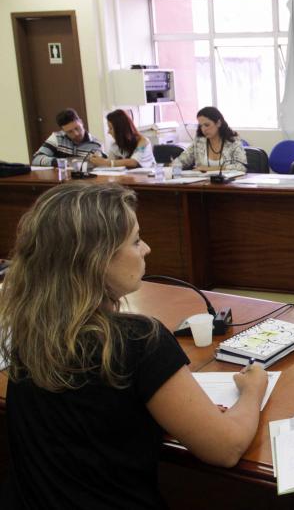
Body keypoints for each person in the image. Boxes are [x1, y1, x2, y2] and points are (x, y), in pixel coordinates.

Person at [0, 182, 267, 509]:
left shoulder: (28, 329)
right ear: (96, 259)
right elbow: (226, 449)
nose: (147, 249)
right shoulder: (137, 339)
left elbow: (93, 415)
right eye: (136, 240)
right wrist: (253, 389)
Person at [174, 106, 247, 172]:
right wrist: (174, 174)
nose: (203, 129)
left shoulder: (233, 141)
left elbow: (242, 167)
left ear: (218, 123)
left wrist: (209, 169)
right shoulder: (199, 141)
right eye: (201, 126)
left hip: (226, 185)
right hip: (202, 184)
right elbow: (180, 161)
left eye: (207, 125)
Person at [31, 108, 105, 166]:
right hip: (61, 181)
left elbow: (101, 166)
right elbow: (36, 159)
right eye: (70, 131)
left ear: (81, 122)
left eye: (77, 128)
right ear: (63, 130)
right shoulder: (57, 138)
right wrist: (62, 162)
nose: (76, 134)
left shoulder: (96, 144)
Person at [90, 109, 156, 169]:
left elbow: (133, 162)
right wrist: (98, 160)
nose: (108, 132)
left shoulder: (143, 141)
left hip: (149, 178)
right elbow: (109, 162)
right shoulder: (115, 144)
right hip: (129, 178)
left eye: (111, 128)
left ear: (120, 129)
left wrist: (106, 162)